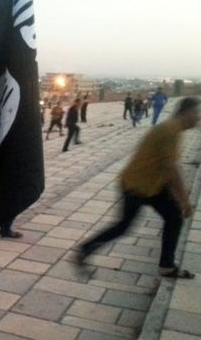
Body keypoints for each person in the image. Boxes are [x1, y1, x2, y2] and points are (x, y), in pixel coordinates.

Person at [78, 97, 200, 279]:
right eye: (196, 113)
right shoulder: (170, 131)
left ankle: (166, 266)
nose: (198, 118)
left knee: (172, 218)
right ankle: (85, 248)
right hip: (137, 186)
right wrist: (184, 201)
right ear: (187, 112)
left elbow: (167, 167)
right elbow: (171, 169)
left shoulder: (172, 129)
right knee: (124, 226)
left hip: (150, 185)